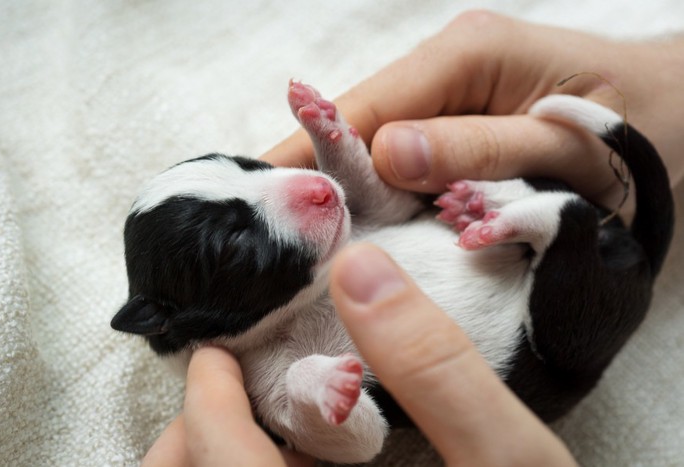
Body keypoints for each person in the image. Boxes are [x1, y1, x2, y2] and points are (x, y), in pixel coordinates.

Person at [143, 11, 684, 466]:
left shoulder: (308, 268)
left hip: (540, 252)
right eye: (238, 239)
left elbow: (391, 210)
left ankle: (550, 213)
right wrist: (315, 393)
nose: (304, 187)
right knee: (567, 313)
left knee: (467, 202)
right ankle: (560, 219)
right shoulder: (263, 382)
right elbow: (362, 443)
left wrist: (335, 145)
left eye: (249, 169)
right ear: (174, 318)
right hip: (544, 341)